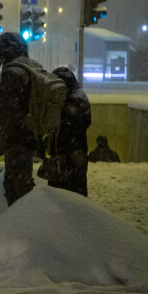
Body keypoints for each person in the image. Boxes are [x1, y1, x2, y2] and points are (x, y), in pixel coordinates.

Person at [0, 32, 44, 206]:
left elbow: (9, 110)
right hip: (32, 135)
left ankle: (20, 226)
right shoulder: (33, 66)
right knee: (22, 181)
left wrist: (3, 136)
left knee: (15, 187)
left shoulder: (12, 72)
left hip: (17, 138)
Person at [48, 67, 92, 197]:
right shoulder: (79, 97)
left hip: (68, 153)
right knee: (76, 189)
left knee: (62, 192)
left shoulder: (71, 100)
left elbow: (69, 127)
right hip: (76, 152)